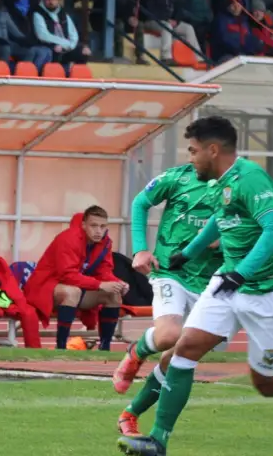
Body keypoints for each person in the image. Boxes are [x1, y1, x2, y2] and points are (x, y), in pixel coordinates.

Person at [118, 116, 273, 456]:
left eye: (193, 150)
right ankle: (158, 439)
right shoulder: (218, 182)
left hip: (272, 289)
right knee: (184, 349)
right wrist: (187, 254)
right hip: (228, 282)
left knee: (267, 384)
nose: (190, 157)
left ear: (213, 150)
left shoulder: (250, 178)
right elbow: (220, 219)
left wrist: (242, 272)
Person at [111, 161, 228, 438]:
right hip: (170, 271)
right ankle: (136, 352)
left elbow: (249, 229)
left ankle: (131, 413)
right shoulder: (178, 177)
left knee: (178, 357)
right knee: (168, 336)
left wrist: (221, 242)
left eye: (195, 149)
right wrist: (140, 249)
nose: (191, 155)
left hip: (212, 282)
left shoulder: (235, 186)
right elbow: (140, 202)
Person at [22, 206, 128, 350]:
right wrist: (99, 285)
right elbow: (67, 275)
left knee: (114, 294)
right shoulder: (68, 238)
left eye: (102, 226)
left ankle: (105, 348)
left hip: (79, 287)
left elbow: (104, 271)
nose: (98, 231)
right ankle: (61, 347)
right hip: (44, 288)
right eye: (94, 226)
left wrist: (117, 283)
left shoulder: (105, 242)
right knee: (72, 292)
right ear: (84, 225)